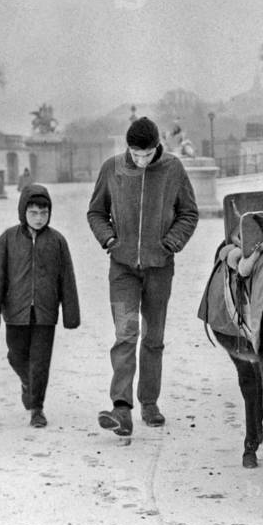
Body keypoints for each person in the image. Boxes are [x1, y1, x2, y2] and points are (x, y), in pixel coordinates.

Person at [87, 116, 199, 437]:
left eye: (146, 154)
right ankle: (121, 409)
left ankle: (149, 402)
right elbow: (96, 211)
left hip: (159, 269)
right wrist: (109, 239)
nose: (140, 160)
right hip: (122, 269)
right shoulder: (112, 169)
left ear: (156, 148)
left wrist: (170, 243)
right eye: (135, 154)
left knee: (152, 338)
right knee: (126, 335)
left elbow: (188, 213)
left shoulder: (173, 169)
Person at [0, 184, 80, 428]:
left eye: (43, 213)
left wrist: (71, 314)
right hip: (15, 312)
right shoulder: (7, 239)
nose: (38, 218)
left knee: (40, 361)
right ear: (23, 212)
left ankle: (37, 408)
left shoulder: (57, 241)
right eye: (33, 213)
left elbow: (67, 278)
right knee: (16, 356)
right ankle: (28, 382)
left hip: (46, 313)